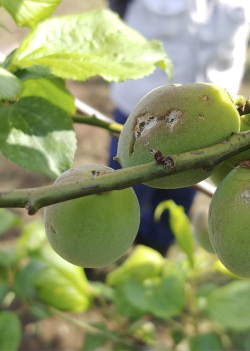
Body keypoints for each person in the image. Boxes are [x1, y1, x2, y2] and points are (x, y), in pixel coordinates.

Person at [108, 0, 250, 256]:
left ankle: (155, 251)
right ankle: (108, 256)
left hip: (216, 128)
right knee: (122, 186)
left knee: (177, 199)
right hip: (141, 112)